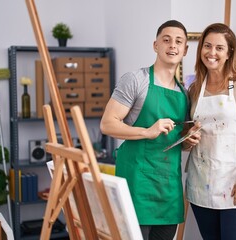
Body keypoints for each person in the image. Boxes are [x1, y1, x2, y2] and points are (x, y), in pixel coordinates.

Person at [100, 20, 200, 240]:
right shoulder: (136, 80)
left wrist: (187, 141)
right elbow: (107, 123)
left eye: (178, 41)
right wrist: (146, 131)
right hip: (138, 185)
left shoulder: (184, 94)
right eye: (166, 40)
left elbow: (174, 141)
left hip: (168, 189)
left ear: (185, 49)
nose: (172, 45)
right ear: (155, 45)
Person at [184, 23, 236, 240]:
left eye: (219, 48)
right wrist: (188, 139)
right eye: (207, 46)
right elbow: (185, 136)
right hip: (202, 184)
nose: (212, 53)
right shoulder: (194, 88)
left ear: (229, 52)